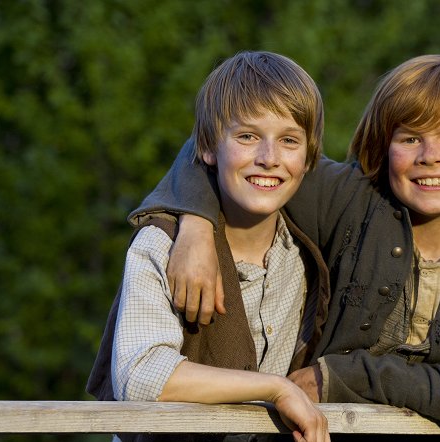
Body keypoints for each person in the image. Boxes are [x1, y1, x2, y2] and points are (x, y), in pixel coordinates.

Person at [130, 54, 440, 432]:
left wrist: (341, 376)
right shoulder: (351, 199)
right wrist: (197, 226)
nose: (431, 155)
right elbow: (224, 148)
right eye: (410, 138)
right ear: (384, 144)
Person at [87, 51, 331, 442]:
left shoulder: (307, 250)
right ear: (208, 149)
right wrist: (275, 387)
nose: (269, 158)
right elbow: (141, 376)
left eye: (288, 140)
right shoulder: (161, 244)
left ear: (308, 158)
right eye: (247, 136)